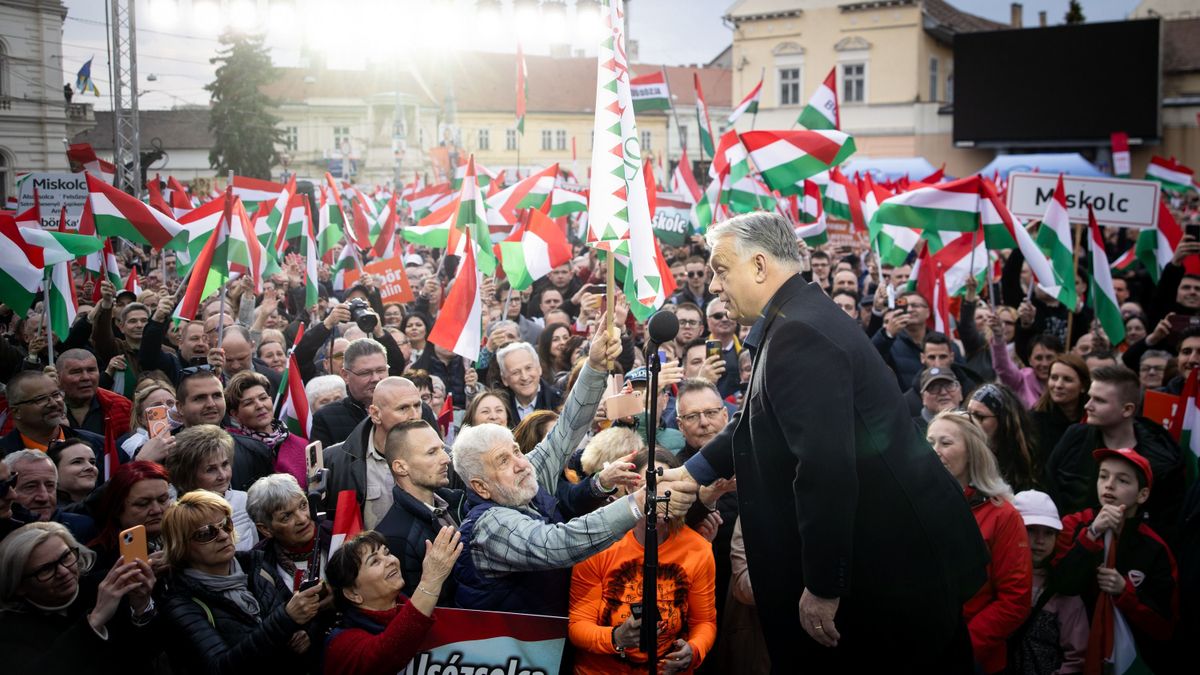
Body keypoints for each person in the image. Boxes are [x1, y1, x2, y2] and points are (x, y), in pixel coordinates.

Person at [660, 212, 989, 671]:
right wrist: (693, 472)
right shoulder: (799, 316)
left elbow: (825, 467)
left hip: (893, 572)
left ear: (759, 266)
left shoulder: (798, 333)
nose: (714, 285)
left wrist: (822, 585)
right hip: (890, 561)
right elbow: (759, 419)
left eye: (720, 269)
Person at [451, 322, 692, 616]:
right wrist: (636, 503)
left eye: (516, 451)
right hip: (509, 642)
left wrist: (594, 366)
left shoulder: (521, 475)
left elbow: (566, 430)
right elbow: (557, 544)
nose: (520, 463)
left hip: (545, 635)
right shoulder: (490, 526)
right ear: (480, 486)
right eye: (503, 461)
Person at [568, 448, 717, 674]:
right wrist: (616, 637)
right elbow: (578, 626)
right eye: (651, 486)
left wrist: (694, 650)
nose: (660, 495)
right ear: (630, 488)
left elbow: (704, 623)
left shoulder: (698, 549)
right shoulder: (600, 544)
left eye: (669, 486)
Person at [159, 490, 325, 675]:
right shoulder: (181, 602)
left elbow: (302, 620)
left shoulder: (256, 565)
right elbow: (219, 667)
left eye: (225, 524)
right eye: (206, 533)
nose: (223, 535)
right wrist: (285, 620)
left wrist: (306, 634)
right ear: (181, 546)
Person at [1051, 448, 1179, 673]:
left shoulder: (1155, 548)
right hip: (1071, 655)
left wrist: (1124, 592)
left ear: (1142, 495)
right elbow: (1060, 584)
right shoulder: (1074, 524)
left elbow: (1166, 627)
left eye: (1122, 480)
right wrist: (1091, 534)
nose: (1109, 485)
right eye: (1103, 476)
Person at [926, 411, 1032, 674]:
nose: (935, 451)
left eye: (946, 443)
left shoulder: (1003, 516)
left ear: (972, 453)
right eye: (929, 443)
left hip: (974, 658)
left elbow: (1014, 601)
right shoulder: (915, 506)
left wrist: (962, 647)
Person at [1044, 365, 1185, 540]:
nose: (1088, 405)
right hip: (1068, 544)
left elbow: (1164, 524)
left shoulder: (1160, 460)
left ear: (1127, 409)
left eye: (1099, 400)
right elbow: (1048, 485)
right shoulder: (1075, 437)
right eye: (1090, 397)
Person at [0, 522, 157, 674]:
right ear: (19, 585)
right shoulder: (9, 629)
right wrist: (94, 622)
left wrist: (142, 606)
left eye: (66, 557)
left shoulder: (109, 585)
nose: (63, 572)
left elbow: (148, 653)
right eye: (46, 569)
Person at [323, 528, 462, 675]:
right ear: (353, 594)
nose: (390, 561)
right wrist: (430, 581)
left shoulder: (406, 606)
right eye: (375, 561)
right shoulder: (341, 645)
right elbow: (385, 655)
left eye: (387, 553)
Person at [375, 420, 467, 606]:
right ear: (401, 467)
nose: (446, 458)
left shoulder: (458, 502)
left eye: (442, 448)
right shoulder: (395, 538)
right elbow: (414, 611)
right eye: (431, 452)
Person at [323, 377, 429, 527]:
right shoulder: (334, 461)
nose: (414, 415)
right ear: (375, 414)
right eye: (403, 408)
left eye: (417, 406)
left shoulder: (443, 458)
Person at [1008, 490, 1089, 675]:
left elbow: (1078, 657)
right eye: (1031, 530)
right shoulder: (995, 576)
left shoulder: (1062, 587)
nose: (1040, 540)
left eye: (1049, 533)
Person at [174, 368, 274, 491]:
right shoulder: (167, 454)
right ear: (180, 407)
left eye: (217, 396)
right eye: (200, 398)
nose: (211, 404)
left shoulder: (255, 451)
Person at [165, 425, 259, 551]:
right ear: (187, 475)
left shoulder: (244, 500)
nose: (223, 475)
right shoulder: (173, 511)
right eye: (210, 469)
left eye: (225, 464)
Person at [224, 370, 308, 488]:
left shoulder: (302, 445)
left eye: (263, 398)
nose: (259, 405)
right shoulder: (231, 450)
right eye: (248, 403)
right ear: (235, 414)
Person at [87, 460, 173, 575]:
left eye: (163, 500)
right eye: (143, 504)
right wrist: (136, 575)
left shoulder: (184, 539)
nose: (157, 510)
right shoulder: (95, 559)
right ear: (117, 509)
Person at [246, 473, 327, 594]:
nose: (302, 519)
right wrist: (289, 607)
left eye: (303, 505)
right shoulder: (256, 566)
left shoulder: (339, 536)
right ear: (265, 529)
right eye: (286, 516)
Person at [0, 371, 103, 459]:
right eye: (41, 399)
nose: (53, 403)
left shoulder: (99, 446)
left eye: (56, 395)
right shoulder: (3, 457)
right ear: (16, 412)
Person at [312, 338, 391, 448]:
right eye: (365, 373)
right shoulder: (325, 418)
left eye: (380, 370)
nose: (375, 378)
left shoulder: (408, 406)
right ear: (345, 375)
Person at [3, 450, 96, 542]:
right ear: (8, 490)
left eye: (50, 486)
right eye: (31, 487)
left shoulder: (82, 529)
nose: (44, 497)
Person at [966, 383, 1039, 493]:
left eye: (979, 417)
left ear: (1002, 421)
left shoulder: (1025, 464)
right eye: (968, 414)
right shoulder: (963, 455)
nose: (970, 422)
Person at [56, 349, 132, 439]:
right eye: (76, 372)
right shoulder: (48, 408)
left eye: (91, 370)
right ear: (58, 377)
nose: (86, 377)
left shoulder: (122, 406)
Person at [1029, 355, 1090, 467]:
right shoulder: (1033, 421)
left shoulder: (1092, 420)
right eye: (1054, 378)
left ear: (1083, 386)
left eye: (1067, 379)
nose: (1058, 385)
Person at [496, 341, 562, 423]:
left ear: (539, 368)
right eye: (515, 372)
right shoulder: (497, 409)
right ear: (504, 379)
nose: (524, 377)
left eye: (528, 368)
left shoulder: (560, 402)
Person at [120, 380, 179, 463]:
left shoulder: (186, 429)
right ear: (141, 419)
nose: (166, 408)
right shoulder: (131, 443)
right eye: (157, 406)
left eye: (170, 403)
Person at [46, 437, 99, 508]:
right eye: (77, 462)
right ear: (54, 473)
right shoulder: (47, 510)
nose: (90, 467)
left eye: (92, 462)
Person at [914, 366, 964, 435]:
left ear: (960, 392)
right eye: (934, 388)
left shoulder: (974, 423)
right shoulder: (914, 430)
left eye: (949, 386)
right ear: (923, 397)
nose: (943, 392)